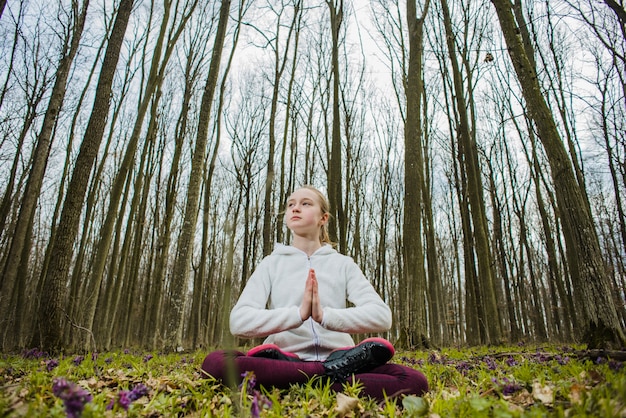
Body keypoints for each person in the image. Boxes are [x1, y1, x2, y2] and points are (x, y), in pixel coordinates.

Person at [201, 185, 428, 401]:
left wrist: (325, 317)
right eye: (291, 204)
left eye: (305, 203)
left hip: (339, 356)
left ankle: (298, 380)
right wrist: (298, 315)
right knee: (215, 363)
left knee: (414, 381)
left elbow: (382, 316)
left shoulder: (343, 264)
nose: (295, 208)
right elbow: (239, 322)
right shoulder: (271, 264)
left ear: (323, 218)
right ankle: (327, 375)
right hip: (285, 359)